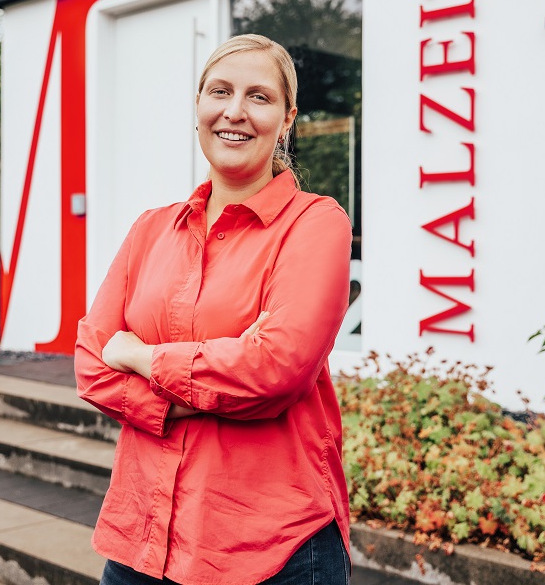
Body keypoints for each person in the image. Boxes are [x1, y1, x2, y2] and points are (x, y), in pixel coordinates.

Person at [74, 34, 353, 585]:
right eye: (220, 92)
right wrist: (217, 383)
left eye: (259, 96)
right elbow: (91, 365)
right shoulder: (151, 229)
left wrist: (142, 357)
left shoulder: (315, 223)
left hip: (273, 550)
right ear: (199, 106)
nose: (235, 111)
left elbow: (275, 369)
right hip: (141, 541)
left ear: (287, 119)